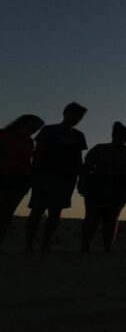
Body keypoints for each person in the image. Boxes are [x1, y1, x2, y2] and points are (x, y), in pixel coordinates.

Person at [25, 102, 88, 252]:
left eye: (79, 116)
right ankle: (29, 244)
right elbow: (38, 155)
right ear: (65, 113)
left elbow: (78, 160)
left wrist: (82, 179)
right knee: (37, 210)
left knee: (55, 212)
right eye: (74, 114)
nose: (76, 118)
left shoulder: (78, 136)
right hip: (45, 177)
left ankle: (46, 244)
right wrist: (34, 176)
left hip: (66, 179)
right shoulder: (49, 131)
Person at [79, 122, 126, 252]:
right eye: (119, 136)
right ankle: (85, 245)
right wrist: (82, 183)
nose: (122, 139)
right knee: (92, 216)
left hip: (120, 187)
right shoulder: (99, 149)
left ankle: (107, 247)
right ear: (113, 136)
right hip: (97, 186)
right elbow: (86, 168)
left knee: (111, 217)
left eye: (124, 137)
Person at [0, 114, 44, 246]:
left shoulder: (29, 141)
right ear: (22, 123)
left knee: (7, 214)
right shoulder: (3, 135)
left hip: (20, 180)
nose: (34, 130)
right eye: (33, 127)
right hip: (3, 177)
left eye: (36, 129)